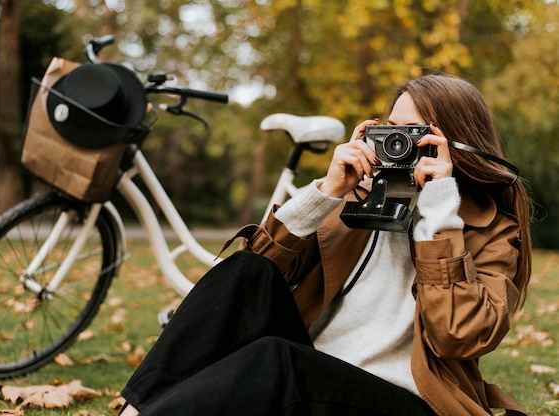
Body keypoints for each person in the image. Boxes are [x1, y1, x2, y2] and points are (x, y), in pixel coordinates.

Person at [118, 73, 532, 416]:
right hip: (316, 372)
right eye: (394, 131)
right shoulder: (359, 199)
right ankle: (135, 411)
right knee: (246, 269)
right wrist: (327, 192)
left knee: (278, 360)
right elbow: (255, 283)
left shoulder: (492, 229)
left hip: (408, 401)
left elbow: (456, 337)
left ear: (455, 144)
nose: (401, 145)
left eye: (419, 135)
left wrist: (440, 211)